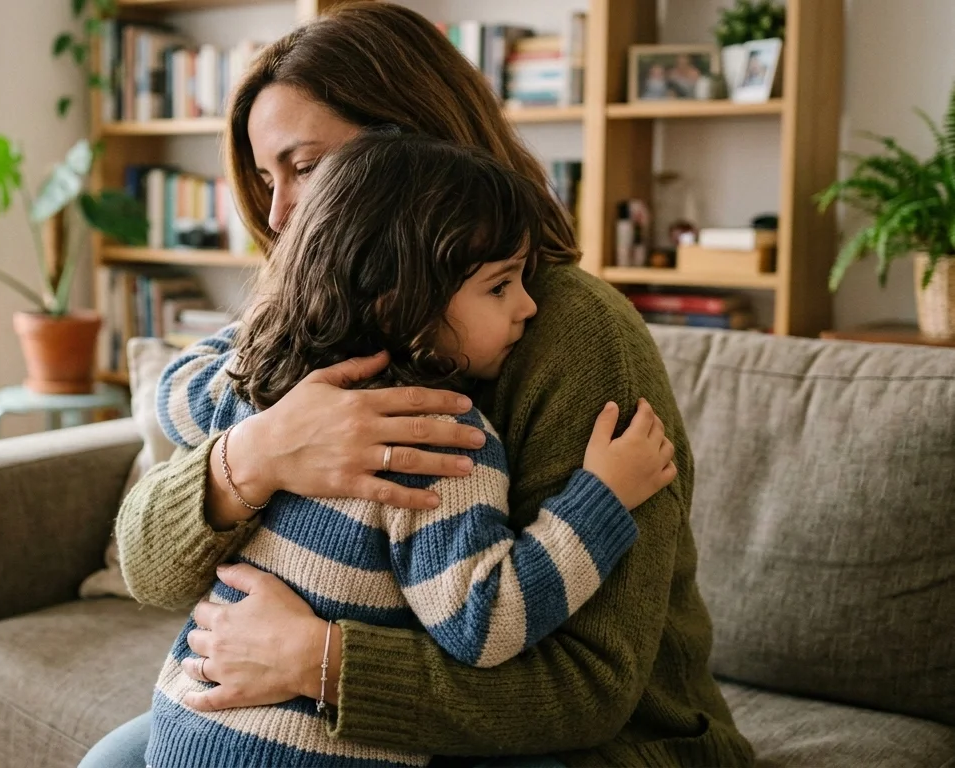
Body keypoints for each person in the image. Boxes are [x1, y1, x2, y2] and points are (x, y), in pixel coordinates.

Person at [82, 3, 754, 767]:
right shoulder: (318, 315)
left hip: (603, 742)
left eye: (305, 168)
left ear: (416, 147)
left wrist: (319, 661)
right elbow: (148, 568)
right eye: (266, 178)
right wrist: (260, 452)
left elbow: (587, 691)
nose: (278, 214)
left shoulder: (572, 336)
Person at [142, 132, 676, 767]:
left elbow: (173, 389)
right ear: (400, 299)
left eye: (310, 169)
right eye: (500, 287)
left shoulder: (264, 382)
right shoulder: (438, 438)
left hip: (183, 733)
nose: (528, 306)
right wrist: (601, 500)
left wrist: (280, 319)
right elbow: (486, 622)